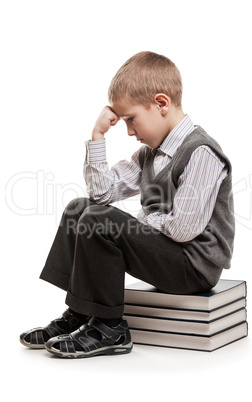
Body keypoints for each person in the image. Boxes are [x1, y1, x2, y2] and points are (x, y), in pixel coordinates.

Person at [20, 51, 235, 358]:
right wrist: (97, 137)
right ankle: (81, 312)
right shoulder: (150, 153)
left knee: (97, 220)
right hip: (167, 252)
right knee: (79, 209)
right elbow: (101, 196)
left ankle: (111, 328)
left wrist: (144, 220)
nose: (130, 131)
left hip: (193, 266)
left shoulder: (201, 152)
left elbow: (185, 228)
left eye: (131, 119)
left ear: (161, 104)